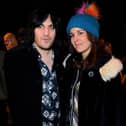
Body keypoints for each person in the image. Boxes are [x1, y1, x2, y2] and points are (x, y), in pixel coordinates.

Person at [63, 2, 123, 126]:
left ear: (92, 35)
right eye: (72, 35)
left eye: (80, 33)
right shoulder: (72, 64)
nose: (75, 39)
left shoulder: (107, 67)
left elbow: (115, 113)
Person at [4, 8, 66, 126]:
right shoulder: (16, 59)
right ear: (33, 29)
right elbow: (14, 104)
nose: (46, 33)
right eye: (40, 26)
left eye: (51, 27)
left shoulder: (63, 58)